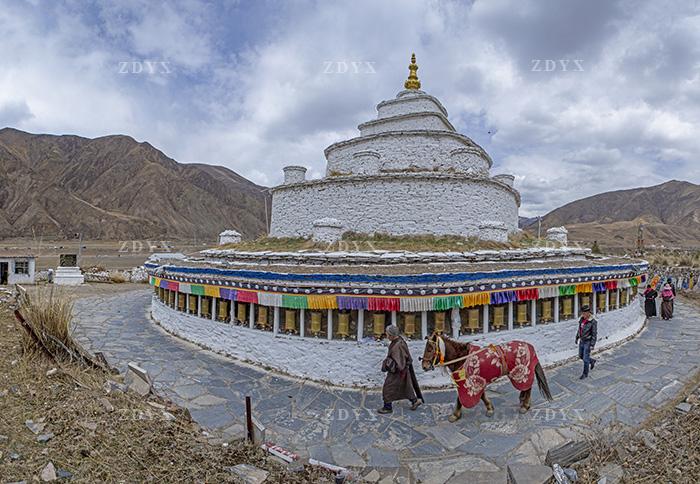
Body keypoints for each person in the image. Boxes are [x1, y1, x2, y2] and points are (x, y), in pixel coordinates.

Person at [377, 325, 423, 414]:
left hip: (398, 371)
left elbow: (399, 362)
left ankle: (387, 407)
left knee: (388, 388)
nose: (386, 336)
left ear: (391, 335)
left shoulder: (397, 346)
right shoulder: (399, 341)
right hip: (403, 371)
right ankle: (414, 401)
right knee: (406, 387)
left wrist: (388, 364)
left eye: (387, 334)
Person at [575, 305, 597, 379]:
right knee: (581, 356)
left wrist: (592, 344)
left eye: (584, 313)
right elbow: (579, 330)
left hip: (588, 341)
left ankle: (585, 373)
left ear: (588, 313)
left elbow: (594, 334)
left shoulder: (593, 322)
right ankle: (592, 361)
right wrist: (577, 337)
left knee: (585, 358)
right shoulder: (581, 319)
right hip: (582, 340)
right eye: (582, 313)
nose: (583, 315)